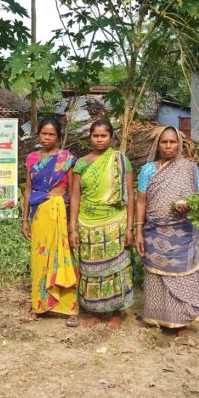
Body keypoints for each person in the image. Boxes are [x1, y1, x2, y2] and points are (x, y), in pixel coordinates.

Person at [135, 126, 199, 337]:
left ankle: (182, 322)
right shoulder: (148, 170)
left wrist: (189, 204)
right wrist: (138, 230)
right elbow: (141, 202)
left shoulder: (190, 169)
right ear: (158, 145)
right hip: (154, 230)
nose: (168, 146)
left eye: (172, 142)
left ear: (180, 144)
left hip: (182, 233)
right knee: (157, 276)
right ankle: (158, 317)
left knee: (182, 275)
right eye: (164, 142)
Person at [69, 119, 135, 331]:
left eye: (103, 136)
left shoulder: (120, 160)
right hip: (87, 224)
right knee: (91, 271)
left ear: (111, 137)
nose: (99, 139)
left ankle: (117, 312)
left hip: (115, 222)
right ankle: (97, 312)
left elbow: (131, 195)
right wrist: (72, 228)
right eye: (95, 136)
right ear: (90, 137)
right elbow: (75, 197)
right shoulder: (81, 163)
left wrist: (130, 227)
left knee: (117, 269)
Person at [21, 117, 79, 327]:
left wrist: (73, 225)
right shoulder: (32, 159)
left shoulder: (66, 159)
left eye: (51, 134)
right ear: (38, 135)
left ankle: (70, 308)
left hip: (60, 215)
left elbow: (73, 193)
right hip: (38, 215)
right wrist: (24, 219)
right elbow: (28, 190)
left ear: (58, 136)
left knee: (63, 258)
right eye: (44, 133)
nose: (47, 138)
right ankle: (39, 304)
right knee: (39, 260)